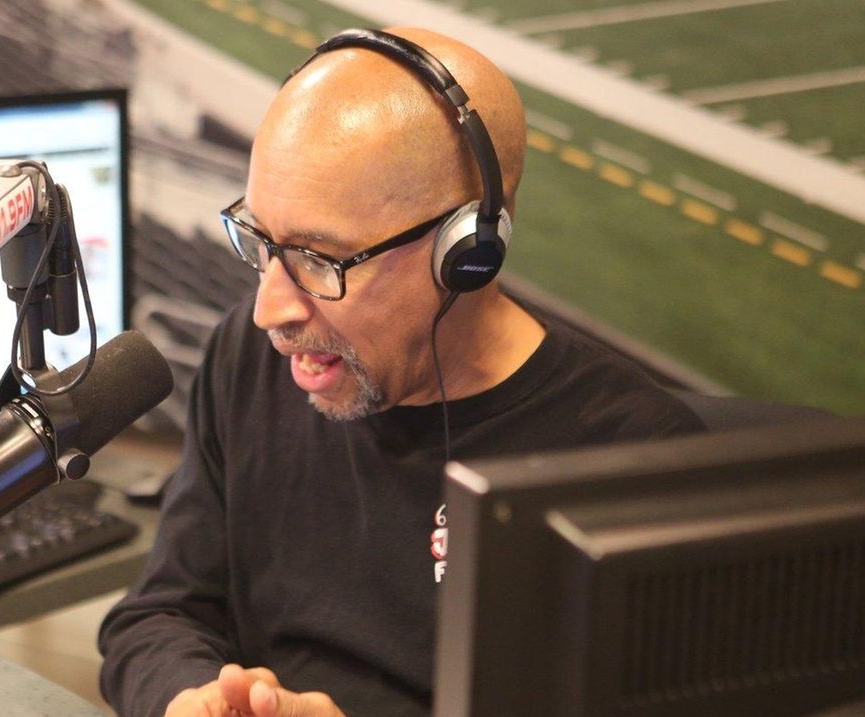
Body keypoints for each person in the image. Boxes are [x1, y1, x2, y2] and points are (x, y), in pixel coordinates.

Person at [99, 26, 704, 717]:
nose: (270, 310)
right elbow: (161, 613)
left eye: (318, 259)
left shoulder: (635, 461)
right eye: (260, 238)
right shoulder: (250, 355)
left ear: (467, 252)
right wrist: (189, 700)